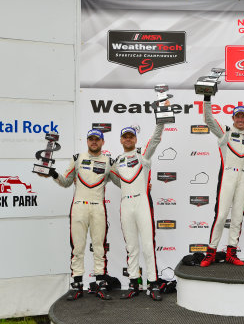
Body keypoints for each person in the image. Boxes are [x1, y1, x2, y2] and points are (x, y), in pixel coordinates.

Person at [40, 129, 118, 301]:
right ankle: (77, 286)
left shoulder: (109, 162)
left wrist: (139, 186)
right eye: (91, 139)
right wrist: (53, 173)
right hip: (79, 207)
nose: (94, 142)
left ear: (102, 142)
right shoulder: (77, 159)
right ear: (87, 141)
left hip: (98, 207)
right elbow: (66, 181)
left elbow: (123, 182)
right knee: (78, 248)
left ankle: (100, 284)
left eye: (97, 139)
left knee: (99, 247)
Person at [200, 94, 244, 267]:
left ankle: (231, 253)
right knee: (220, 217)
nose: (240, 119)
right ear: (233, 117)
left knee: (237, 217)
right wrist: (206, 97)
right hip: (228, 175)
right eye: (238, 116)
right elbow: (209, 119)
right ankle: (210, 253)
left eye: (243, 116)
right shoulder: (225, 131)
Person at [110, 122, 165, 301]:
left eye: (131, 136)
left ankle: (153, 284)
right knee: (131, 247)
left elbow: (155, 140)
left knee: (148, 246)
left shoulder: (142, 154)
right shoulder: (117, 161)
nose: (128, 139)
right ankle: (134, 283)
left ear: (135, 138)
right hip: (126, 204)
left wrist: (161, 121)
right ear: (120, 140)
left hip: (142, 202)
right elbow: (119, 182)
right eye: (125, 136)